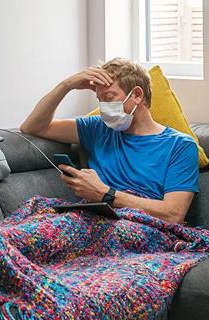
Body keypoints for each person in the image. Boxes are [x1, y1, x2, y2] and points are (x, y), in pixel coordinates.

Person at [20, 58, 199, 224]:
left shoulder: (180, 146)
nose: (104, 108)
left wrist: (105, 194)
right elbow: (33, 127)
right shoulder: (97, 128)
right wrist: (66, 85)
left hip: (140, 226)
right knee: (33, 212)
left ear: (137, 95)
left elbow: (173, 214)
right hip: (90, 219)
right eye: (100, 100)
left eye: (109, 98)